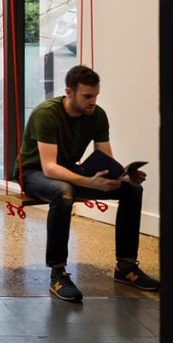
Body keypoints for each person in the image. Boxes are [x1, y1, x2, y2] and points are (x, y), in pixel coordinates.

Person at [15, 64, 159, 302]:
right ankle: (58, 272)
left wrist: (123, 175)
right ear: (69, 92)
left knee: (132, 189)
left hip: (70, 170)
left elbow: (106, 160)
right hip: (33, 171)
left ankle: (125, 267)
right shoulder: (46, 114)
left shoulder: (97, 115)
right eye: (87, 96)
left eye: (95, 96)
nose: (92, 101)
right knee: (63, 192)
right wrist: (90, 182)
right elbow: (49, 168)